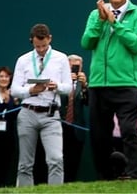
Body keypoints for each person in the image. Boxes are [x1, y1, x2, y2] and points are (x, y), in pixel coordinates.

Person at [80, 0, 137, 180]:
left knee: (129, 130)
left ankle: (134, 173)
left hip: (127, 83)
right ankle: (105, 176)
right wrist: (101, 22)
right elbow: (86, 43)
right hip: (99, 84)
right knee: (99, 135)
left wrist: (115, 24)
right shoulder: (95, 15)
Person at [10, 23, 72, 186]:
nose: (41, 50)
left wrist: (56, 86)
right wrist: (32, 90)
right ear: (32, 41)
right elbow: (14, 90)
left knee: (56, 159)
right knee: (25, 163)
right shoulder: (23, 60)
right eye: (37, 46)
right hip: (28, 112)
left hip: (51, 114)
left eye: (44, 46)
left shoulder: (61, 58)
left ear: (50, 39)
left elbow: (69, 87)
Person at [62, 54, 88, 183]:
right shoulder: (61, 80)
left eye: (78, 66)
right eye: (73, 66)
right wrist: (66, 81)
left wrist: (85, 87)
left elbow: (89, 102)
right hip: (60, 126)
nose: (75, 69)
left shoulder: (83, 83)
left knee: (74, 160)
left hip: (77, 128)